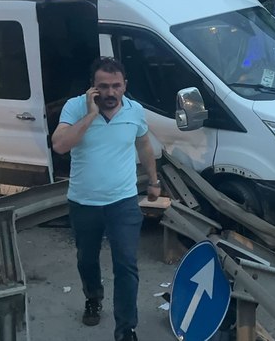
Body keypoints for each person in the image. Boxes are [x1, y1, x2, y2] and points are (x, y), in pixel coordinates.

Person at [52, 58, 160, 341]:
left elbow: (144, 144)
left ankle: (126, 330)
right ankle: (93, 296)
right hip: (83, 202)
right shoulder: (75, 107)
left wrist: (154, 181)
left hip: (122, 202)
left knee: (126, 264)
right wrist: (89, 115)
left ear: (125, 86)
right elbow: (60, 145)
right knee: (86, 260)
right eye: (103, 87)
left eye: (116, 86)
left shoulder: (135, 111)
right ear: (93, 88)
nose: (110, 93)